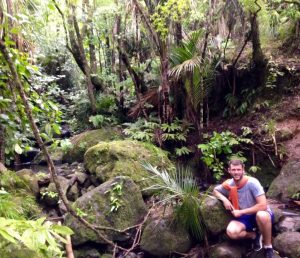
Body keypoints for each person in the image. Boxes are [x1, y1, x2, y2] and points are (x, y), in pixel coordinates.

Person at [213, 159, 275, 258]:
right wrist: (225, 200)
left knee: (261, 215)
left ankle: (268, 246)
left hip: (259, 213)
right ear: (229, 170)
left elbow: (263, 205)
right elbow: (215, 190)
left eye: (238, 169)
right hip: (244, 217)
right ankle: (254, 235)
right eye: (234, 170)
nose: (236, 172)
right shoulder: (229, 184)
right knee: (231, 232)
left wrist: (241, 211)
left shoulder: (252, 182)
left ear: (243, 170)